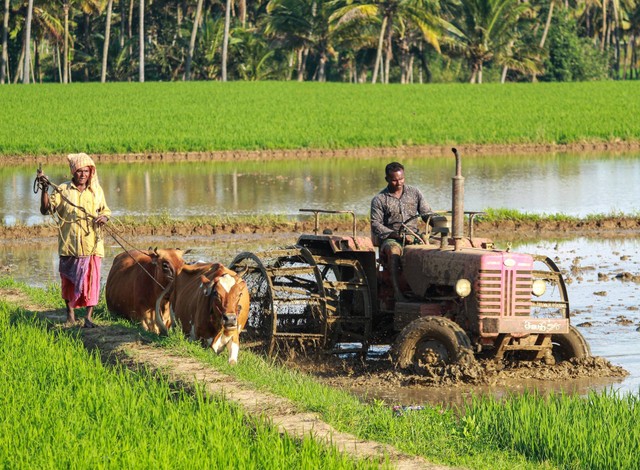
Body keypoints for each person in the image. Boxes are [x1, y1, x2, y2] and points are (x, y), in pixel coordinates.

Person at [38, 153, 111, 328]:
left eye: (86, 171)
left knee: (92, 281)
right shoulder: (63, 190)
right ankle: (70, 315)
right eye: (79, 171)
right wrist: (44, 189)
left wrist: (104, 218)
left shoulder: (96, 191)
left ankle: (88, 317)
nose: (83, 174)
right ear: (73, 172)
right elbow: (46, 209)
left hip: (92, 245)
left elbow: (106, 211)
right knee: (68, 281)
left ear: (90, 172)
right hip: (69, 245)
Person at [371, 162, 432, 301]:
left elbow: (426, 213)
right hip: (391, 238)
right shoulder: (380, 199)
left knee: (435, 248)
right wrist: (395, 235)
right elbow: (376, 224)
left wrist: (438, 222)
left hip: (414, 236)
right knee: (393, 252)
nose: (399, 183)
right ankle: (397, 292)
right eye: (394, 180)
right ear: (387, 179)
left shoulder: (415, 193)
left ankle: (427, 290)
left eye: (401, 179)